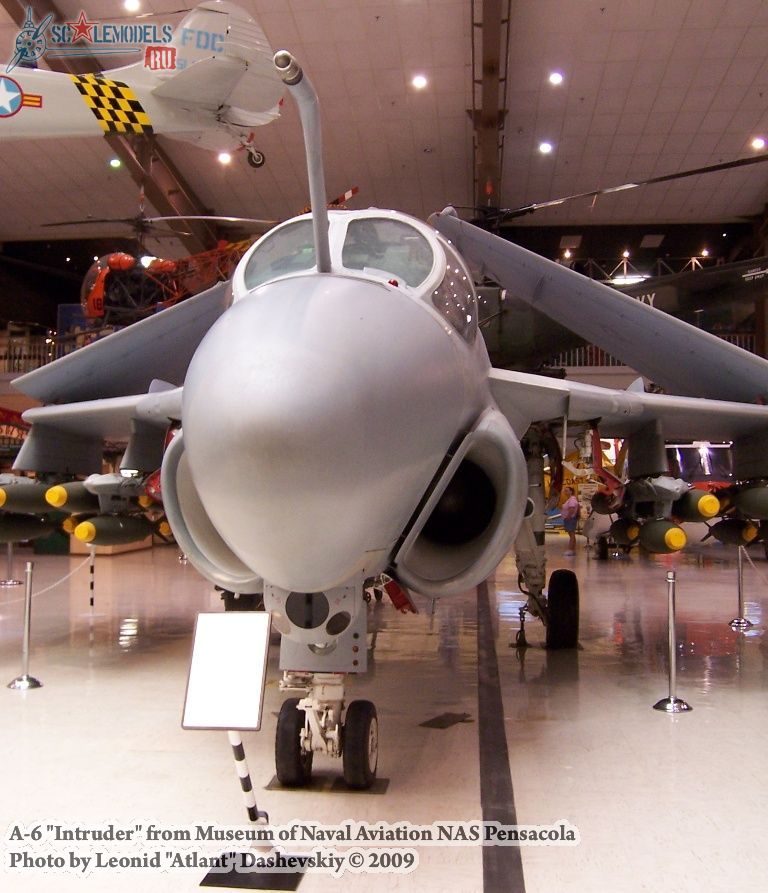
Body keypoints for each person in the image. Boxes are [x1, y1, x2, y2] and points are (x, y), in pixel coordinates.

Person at [561, 486, 580, 556]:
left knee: (571, 534)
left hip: (570, 519)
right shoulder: (570, 499)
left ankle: (570, 549)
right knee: (572, 535)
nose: (565, 492)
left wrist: (568, 517)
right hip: (570, 519)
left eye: (567, 491)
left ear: (571, 492)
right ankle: (573, 550)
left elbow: (571, 509)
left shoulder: (572, 500)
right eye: (565, 491)